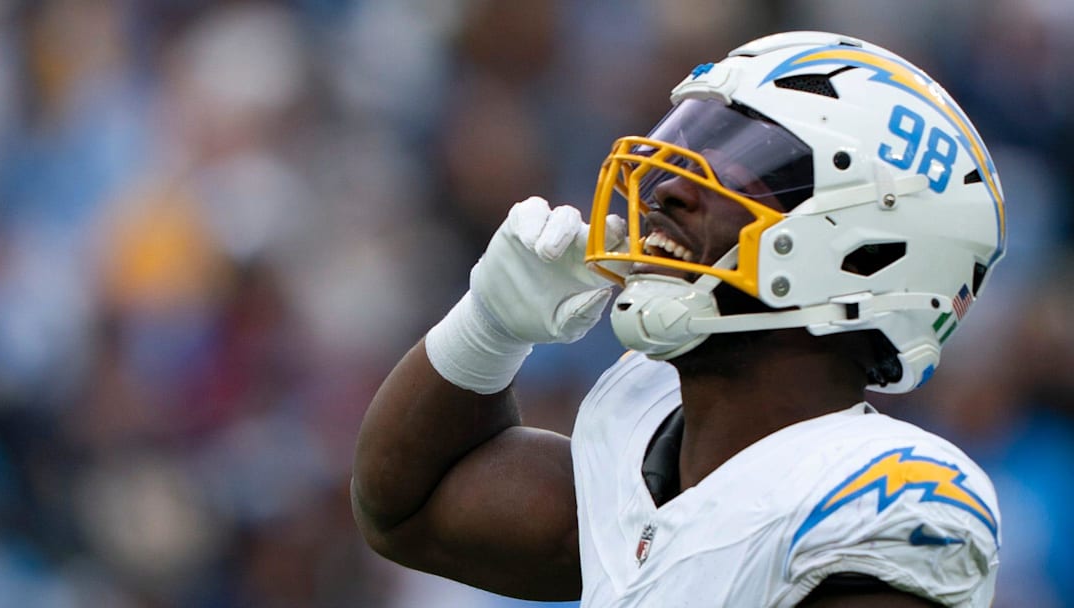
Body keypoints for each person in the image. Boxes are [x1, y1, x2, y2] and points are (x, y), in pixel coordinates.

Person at [351, 31, 1004, 607]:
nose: (667, 189)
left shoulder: (880, 496)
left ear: (865, 254)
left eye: (745, 171)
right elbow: (405, 509)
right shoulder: (643, 426)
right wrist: (489, 325)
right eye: (688, 148)